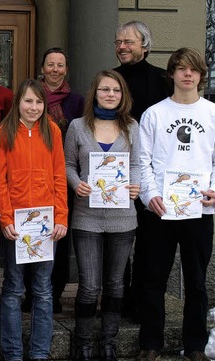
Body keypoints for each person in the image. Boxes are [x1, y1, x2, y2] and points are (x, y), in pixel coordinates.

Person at [137, 48, 215, 361]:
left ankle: (195, 345)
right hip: (160, 209)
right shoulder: (155, 114)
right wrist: (149, 195)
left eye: (193, 70)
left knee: (197, 281)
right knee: (153, 279)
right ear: (172, 74)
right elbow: (142, 162)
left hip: (199, 209)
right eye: (181, 69)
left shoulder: (211, 113)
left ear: (200, 75)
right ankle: (150, 344)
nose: (187, 74)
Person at [63, 70, 140, 361]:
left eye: (116, 90)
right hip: (87, 217)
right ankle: (82, 343)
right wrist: (76, 183)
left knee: (115, 284)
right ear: (95, 92)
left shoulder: (132, 126)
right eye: (105, 89)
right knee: (90, 285)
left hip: (123, 217)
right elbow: (68, 164)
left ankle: (108, 341)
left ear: (123, 96)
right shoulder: (78, 127)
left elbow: (136, 165)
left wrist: (137, 185)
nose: (110, 94)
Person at [0, 79, 68, 361]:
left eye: (38, 102)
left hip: (47, 224)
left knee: (43, 290)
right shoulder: (4, 132)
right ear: (18, 103)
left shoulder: (53, 131)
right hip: (17, 223)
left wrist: (61, 216)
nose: (33, 107)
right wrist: (6, 218)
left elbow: (59, 177)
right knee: (13, 288)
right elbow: (0, 180)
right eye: (28, 101)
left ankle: (39, 352)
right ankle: (12, 353)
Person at [113, 20, 173, 323]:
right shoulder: (111, 79)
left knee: (150, 246)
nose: (122, 47)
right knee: (117, 239)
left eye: (129, 42)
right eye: (118, 42)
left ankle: (142, 305)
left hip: (152, 176)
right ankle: (118, 300)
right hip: (115, 175)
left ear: (144, 45)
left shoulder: (163, 80)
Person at [23, 47, 85, 314]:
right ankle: (29, 293)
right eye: (51, 64)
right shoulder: (30, 98)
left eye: (60, 65)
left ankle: (55, 292)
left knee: (57, 238)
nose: (55, 69)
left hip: (60, 179)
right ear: (42, 67)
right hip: (29, 181)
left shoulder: (77, 101)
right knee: (29, 237)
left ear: (66, 69)